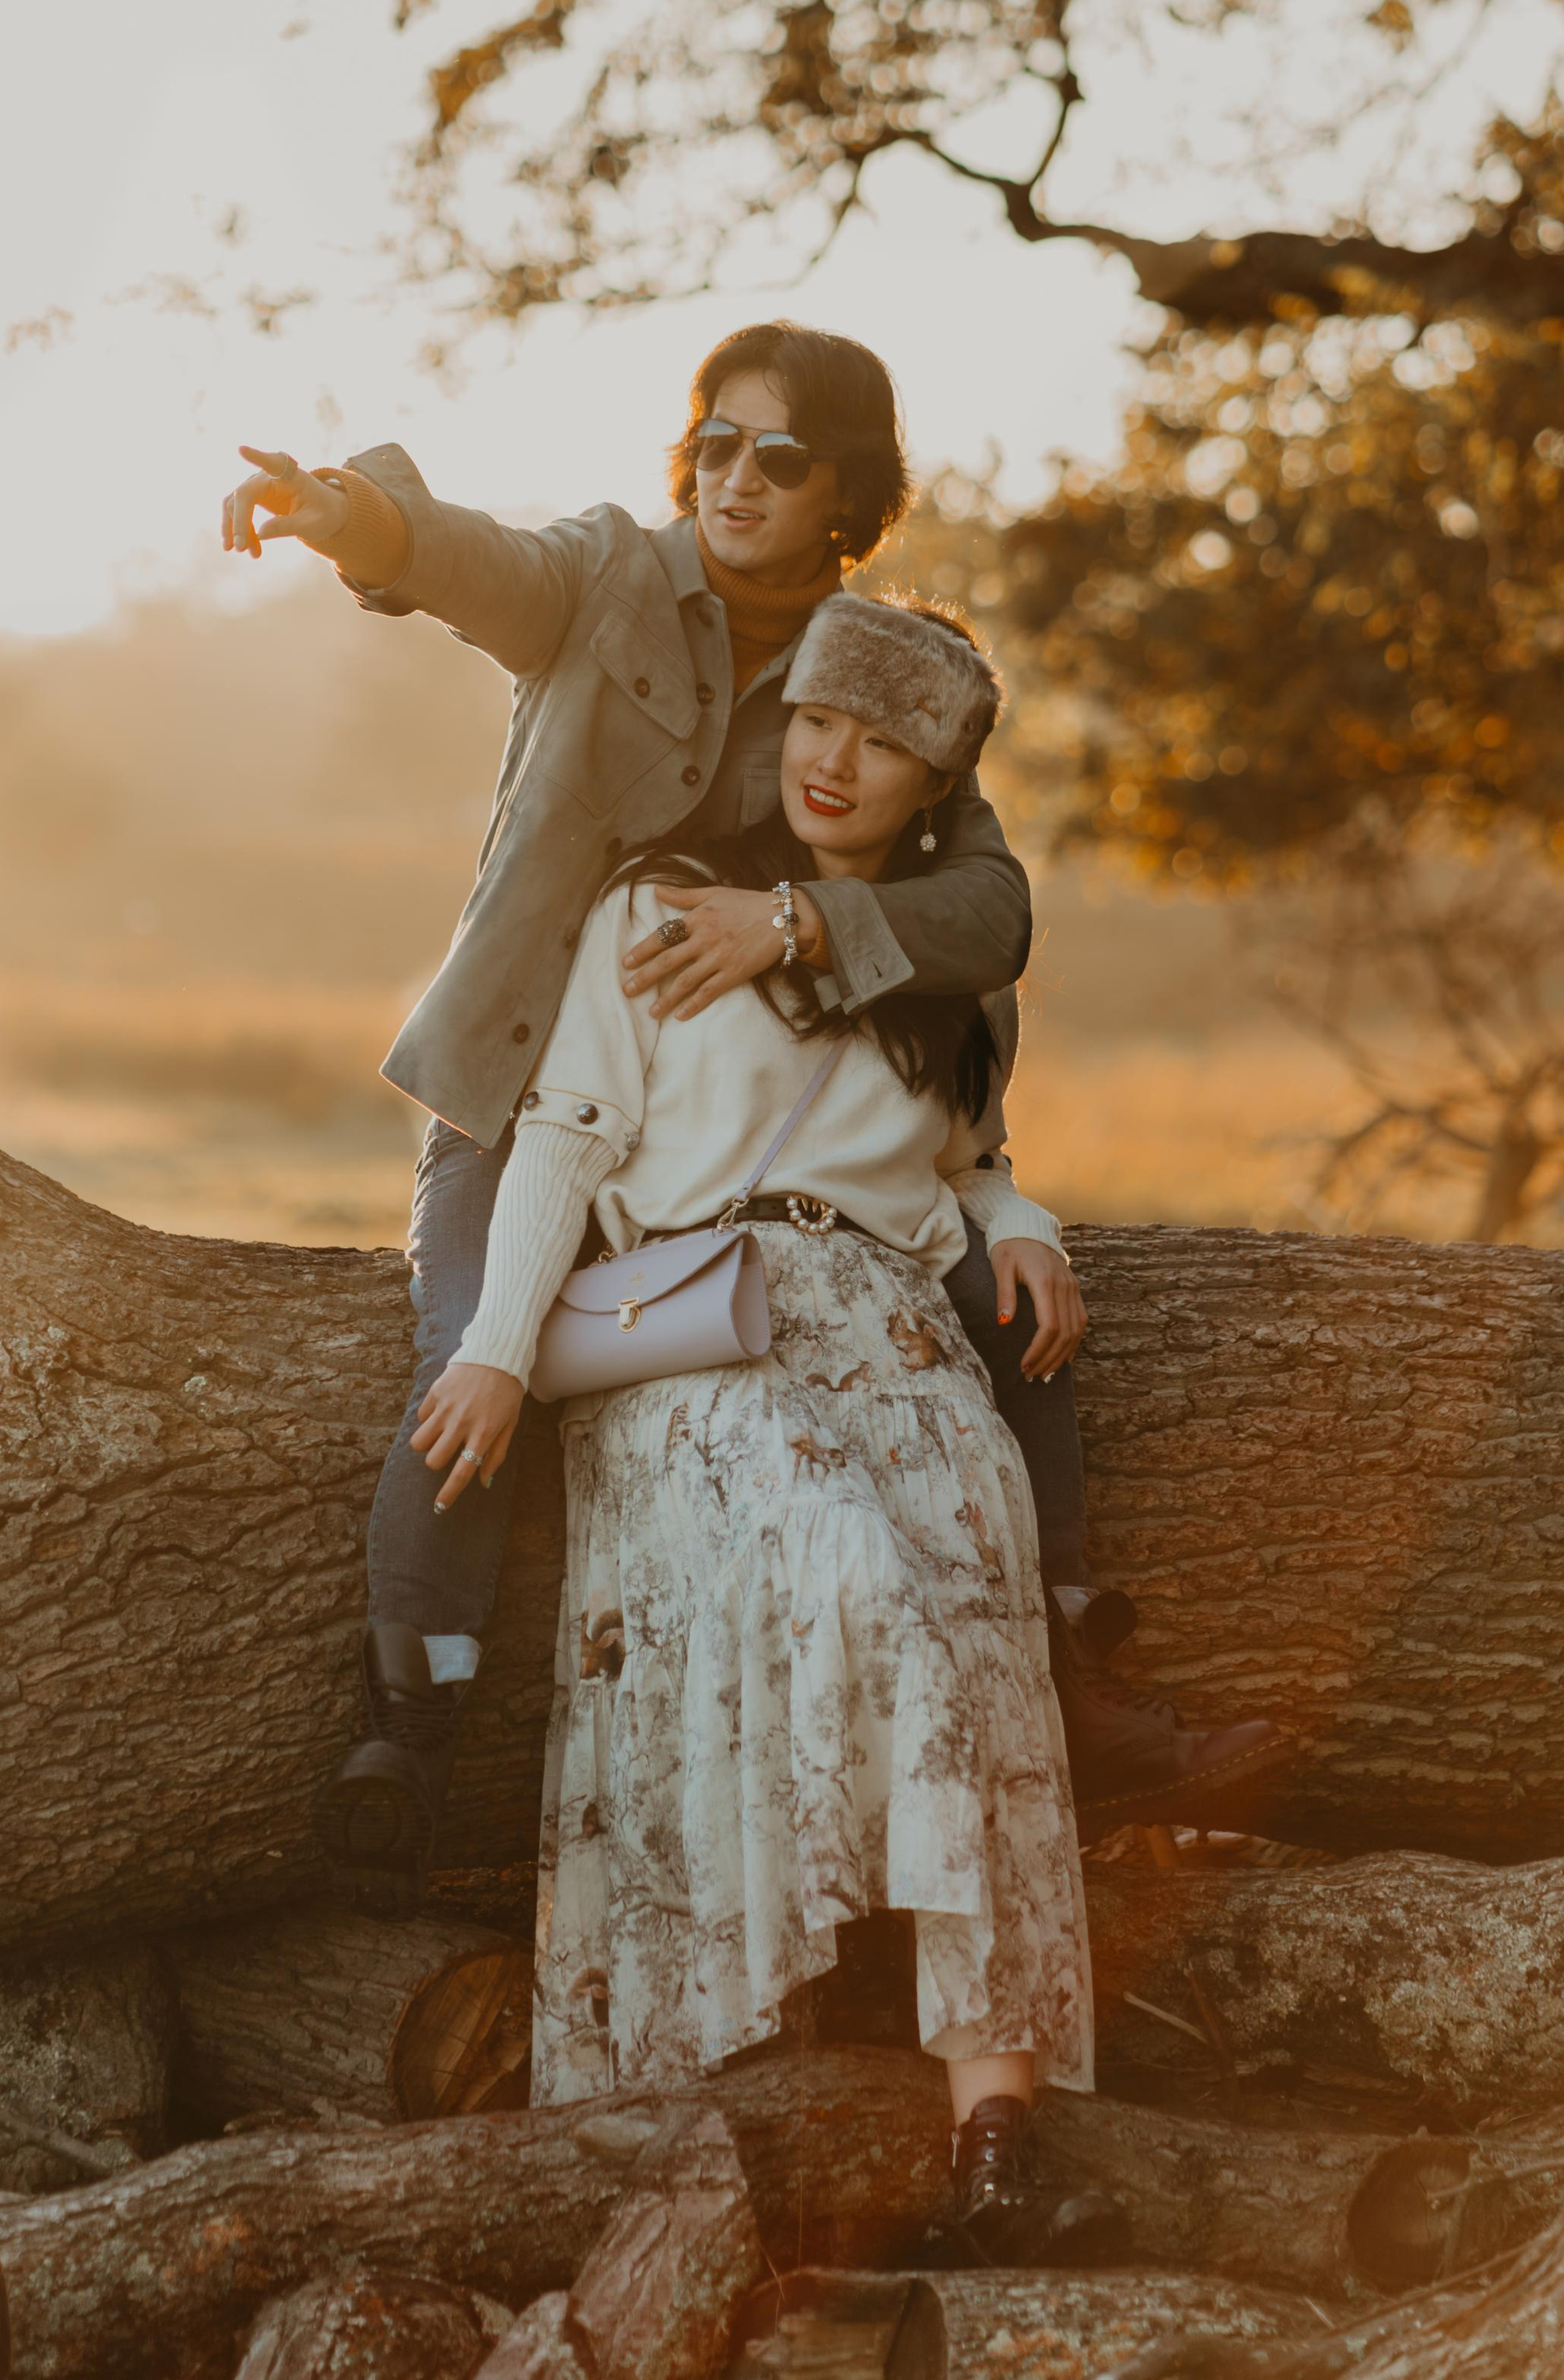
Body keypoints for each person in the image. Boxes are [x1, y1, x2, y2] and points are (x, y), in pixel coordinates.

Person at [221, 323, 1284, 1904]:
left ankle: (1079, 1680)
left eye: (778, 456)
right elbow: (463, 559)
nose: (734, 477)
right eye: (714, 442)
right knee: (474, 1356)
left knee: (1010, 1314)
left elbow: (988, 912)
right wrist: (347, 517)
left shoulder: (870, 673)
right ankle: (410, 1742)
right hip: (530, 1088)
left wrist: (793, 926)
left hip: (718, 1134)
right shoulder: (605, 578)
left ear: (845, 487)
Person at [425, 592, 1121, 2258]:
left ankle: (996, 2132)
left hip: (896, 1342)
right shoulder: (657, 907)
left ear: (934, 785)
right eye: (817, 720)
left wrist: (1024, 1223)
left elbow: (963, 1163)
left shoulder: (949, 972)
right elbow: (567, 1136)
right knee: (851, 1572)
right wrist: (499, 1348)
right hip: (698, 1342)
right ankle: (726, 2101)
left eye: (881, 744)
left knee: (976, 1639)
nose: (834, 761)